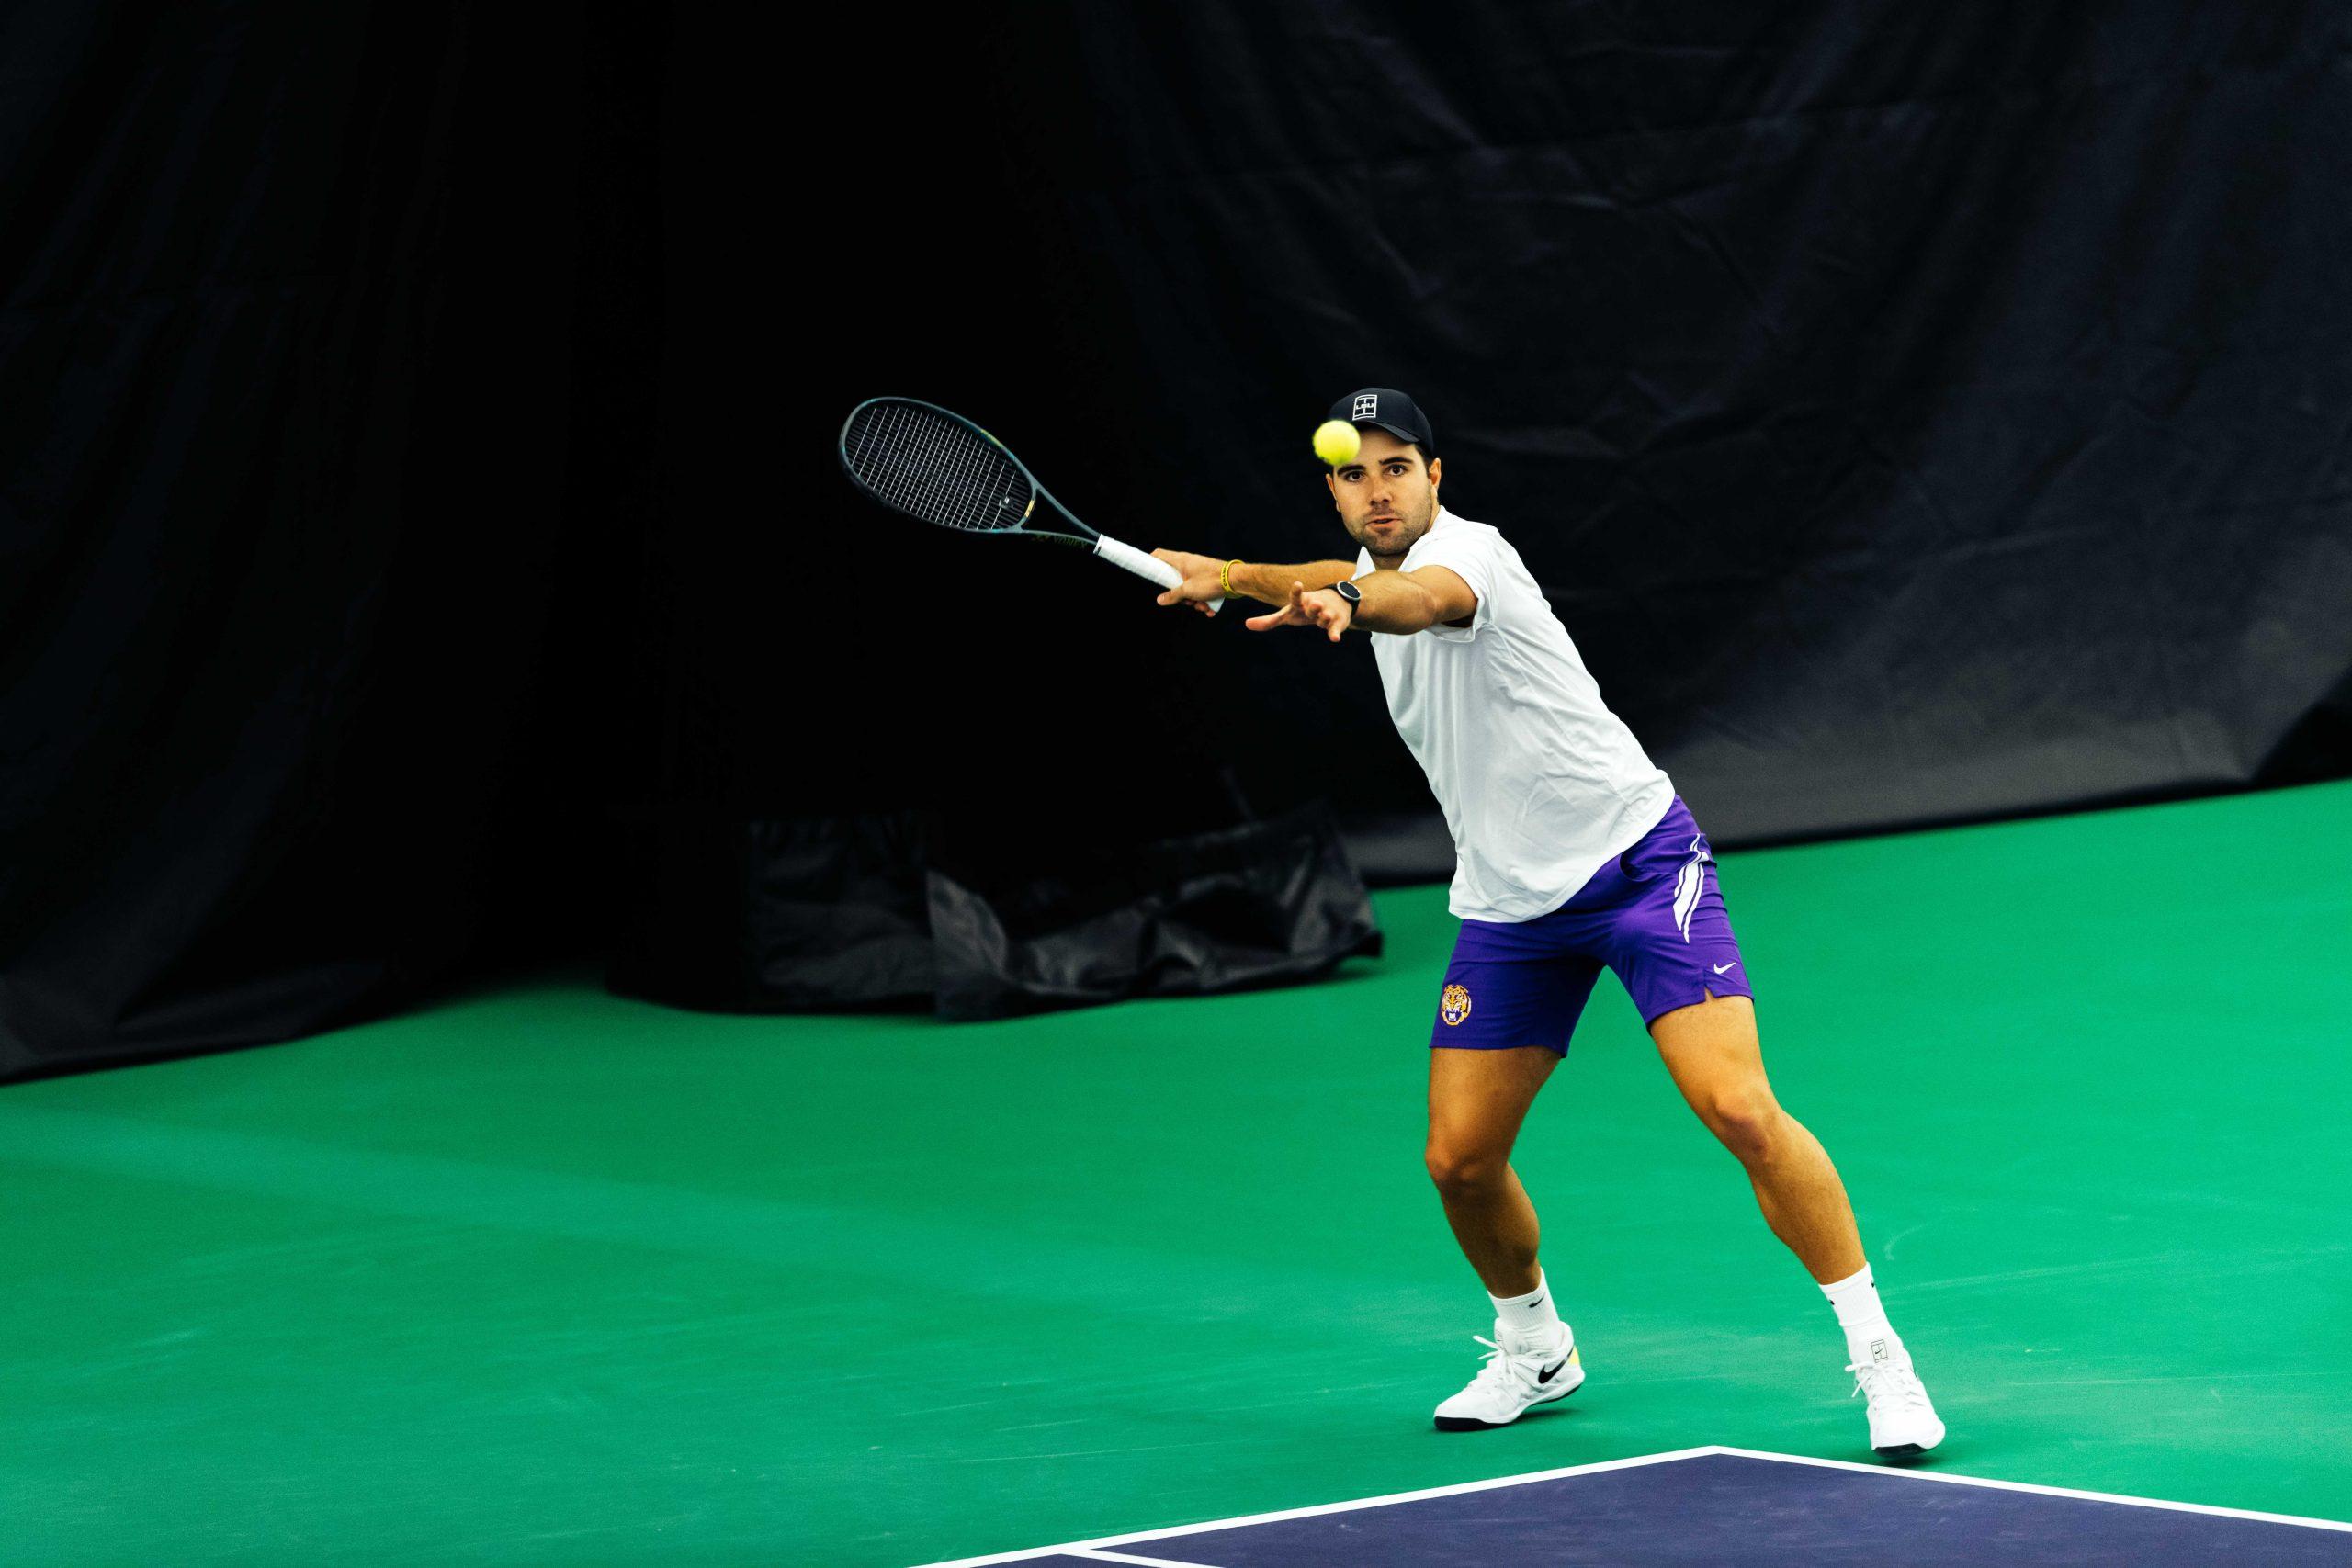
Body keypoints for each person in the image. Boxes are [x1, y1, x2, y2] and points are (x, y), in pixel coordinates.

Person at [1149, 387, 1944, 1457]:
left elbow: (1411, 601)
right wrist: (1240, 576)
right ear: (1333, 490)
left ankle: (1879, 1357)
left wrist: (1341, 599)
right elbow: (1341, 581)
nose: (1376, 490)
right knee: (1459, 1160)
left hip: (1635, 865)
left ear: (1437, 477)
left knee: (1741, 1108)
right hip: (1508, 905)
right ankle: (1535, 1347)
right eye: (1353, 473)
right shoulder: (1358, 568)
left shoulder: (1470, 558)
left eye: (1396, 467)